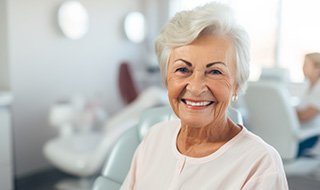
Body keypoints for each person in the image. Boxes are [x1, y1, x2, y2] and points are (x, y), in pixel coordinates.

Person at [120, 2, 288, 189]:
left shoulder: (260, 164)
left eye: (215, 71)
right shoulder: (154, 138)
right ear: (167, 78)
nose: (196, 88)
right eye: (183, 69)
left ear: (236, 84)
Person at [295, 53, 320, 156]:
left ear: (317, 69)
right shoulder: (307, 85)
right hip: (302, 130)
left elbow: (305, 115)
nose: (302, 68)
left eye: (306, 65)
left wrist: (286, 112)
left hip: (313, 135)